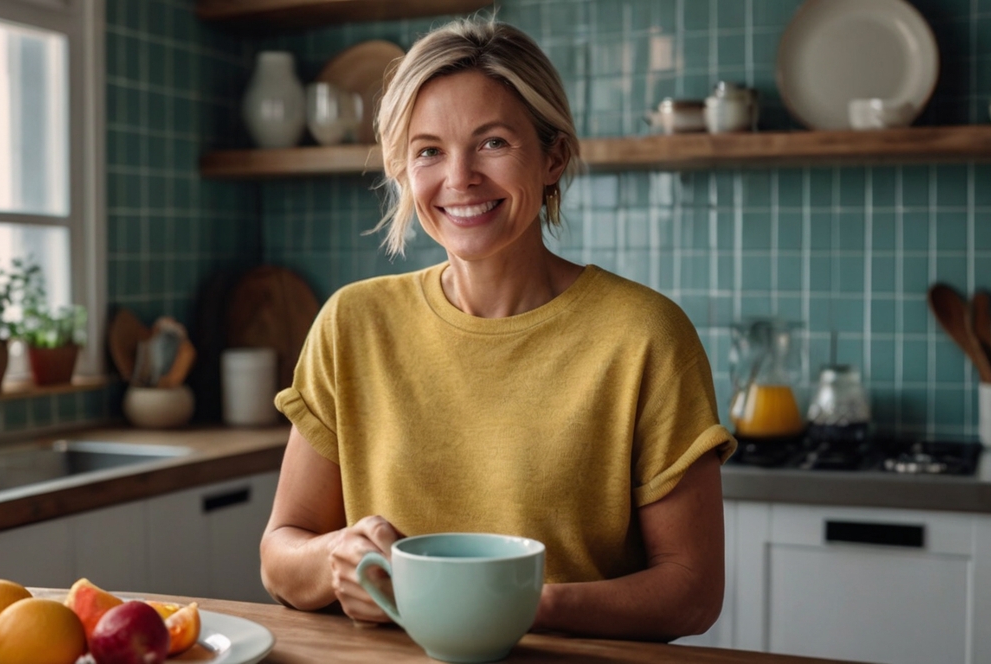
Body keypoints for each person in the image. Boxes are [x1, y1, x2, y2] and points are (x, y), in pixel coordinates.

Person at [259, 16, 736, 642]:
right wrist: (336, 559)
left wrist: (517, 606)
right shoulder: (351, 324)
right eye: (429, 150)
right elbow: (280, 554)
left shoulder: (646, 336)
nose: (459, 178)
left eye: (492, 143)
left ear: (553, 157)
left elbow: (692, 591)